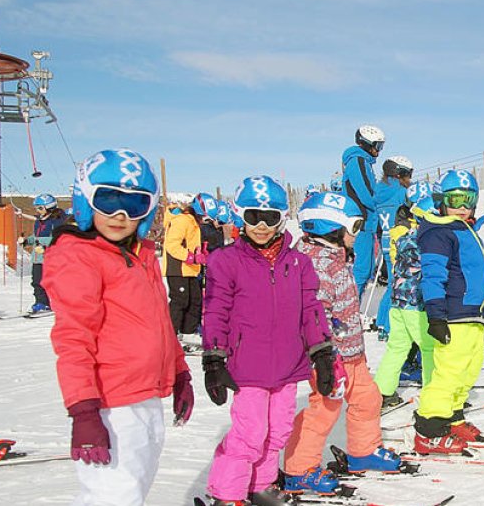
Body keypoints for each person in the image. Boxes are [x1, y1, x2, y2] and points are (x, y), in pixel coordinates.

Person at [44, 148, 193, 505]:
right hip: (109, 403)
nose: (121, 215)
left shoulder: (140, 254)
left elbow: (159, 323)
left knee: (134, 488)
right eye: (108, 200)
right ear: (85, 199)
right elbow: (73, 338)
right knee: (114, 495)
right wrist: (83, 410)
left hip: (145, 397)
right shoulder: (79, 257)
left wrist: (180, 374)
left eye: (135, 204)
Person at [201, 175, 336, 506]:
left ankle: (260, 486)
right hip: (247, 366)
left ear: (281, 219)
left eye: (270, 217)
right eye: (253, 216)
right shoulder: (226, 260)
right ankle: (228, 494)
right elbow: (216, 310)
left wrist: (321, 352)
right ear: (240, 216)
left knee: (277, 432)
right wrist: (214, 359)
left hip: (289, 365)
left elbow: (312, 310)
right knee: (249, 435)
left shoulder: (298, 263)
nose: (261, 225)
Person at [283, 190, 409, 497]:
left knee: (368, 399)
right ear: (331, 228)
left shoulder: (335, 258)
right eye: (353, 227)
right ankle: (298, 469)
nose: (358, 234)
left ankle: (363, 451)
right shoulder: (316, 265)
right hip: (329, 357)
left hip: (352, 353)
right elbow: (315, 315)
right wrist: (328, 356)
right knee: (323, 409)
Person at [413, 170, 484, 455]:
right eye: (455, 199)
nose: (462, 206)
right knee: (448, 374)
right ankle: (429, 430)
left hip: (473, 315)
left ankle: (453, 418)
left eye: (468, 199)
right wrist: (436, 316)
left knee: (468, 372)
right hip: (452, 315)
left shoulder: (467, 231)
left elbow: (479, 278)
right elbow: (432, 277)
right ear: (441, 201)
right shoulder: (438, 233)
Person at [374, 184, 438, 407]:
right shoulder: (427, 240)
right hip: (415, 304)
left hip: (398, 302)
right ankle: (436, 392)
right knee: (429, 347)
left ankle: (383, 391)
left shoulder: (404, 236)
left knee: (397, 347)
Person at [371, 155, 414, 336]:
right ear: (399, 173)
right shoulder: (402, 193)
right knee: (397, 285)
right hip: (401, 243)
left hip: (386, 242)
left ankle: (382, 322)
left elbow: (375, 220)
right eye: (408, 174)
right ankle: (388, 327)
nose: (410, 179)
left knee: (391, 284)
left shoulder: (378, 192)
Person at [343, 125, 386, 295]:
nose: (379, 150)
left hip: (367, 221)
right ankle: (350, 309)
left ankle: (355, 306)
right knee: (361, 270)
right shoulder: (357, 161)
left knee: (366, 269)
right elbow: (366, 192)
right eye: (377, 146)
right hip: (360, 222)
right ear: (367, 144)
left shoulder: (365, 162)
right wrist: (380, 207)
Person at [163, 196, 203, 339]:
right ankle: (170, 335)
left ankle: (188, 333)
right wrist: (189, 256)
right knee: (180, 300)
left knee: (195, 300)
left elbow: (191, 243)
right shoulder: (182, 221)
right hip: (178, 268)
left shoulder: (193, 222)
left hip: (190, 269)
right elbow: (172, 245)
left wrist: (200, 253)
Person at [25, 193, 69, 313]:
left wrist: (45, 246)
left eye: (40, 208)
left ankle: (67, 302)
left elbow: (60, 238)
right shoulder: (39, 221)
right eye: (36, 208)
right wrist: (26, 241)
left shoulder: (58, 221)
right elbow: (36, 236)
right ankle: (42, 303)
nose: (38, 211)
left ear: (49, 207)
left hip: (54, 257)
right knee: (37, 281)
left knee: (57, 282)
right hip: (39, 257)